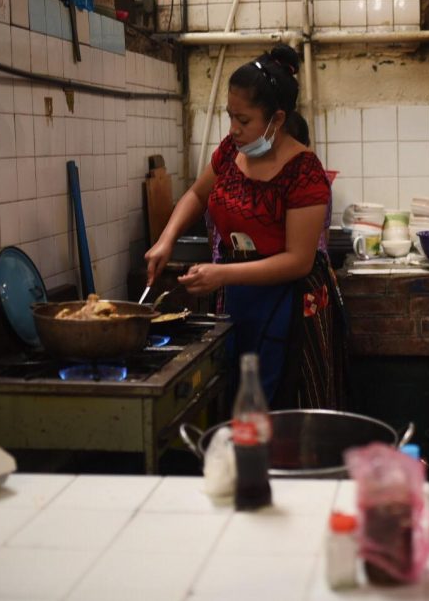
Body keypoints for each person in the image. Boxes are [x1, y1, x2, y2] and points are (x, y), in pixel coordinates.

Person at [145, 45, 347, 410]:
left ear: (277, 119)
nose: (234, 130)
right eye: (230, 117)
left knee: (276, 409)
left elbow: (299, 261)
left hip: (287, 304)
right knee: (238, 399)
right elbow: (197, 193)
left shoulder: (304, 173)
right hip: (238, 296)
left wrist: (223, 275)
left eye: (244, 121)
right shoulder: (230, 151)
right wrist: (165, 240)